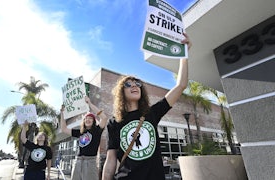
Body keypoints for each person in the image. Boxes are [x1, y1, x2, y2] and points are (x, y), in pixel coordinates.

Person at [102, 33, 192, 180]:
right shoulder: (114, 122)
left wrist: (184, 55)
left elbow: (181, 85)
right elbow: (111, 158)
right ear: (121, 92)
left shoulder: (152, 113)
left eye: (137, 83)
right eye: (128, 84)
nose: (134, 86)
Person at [60, 96, 108, 180]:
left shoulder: (97, 130)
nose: (88, 120)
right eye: (86, 118)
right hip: (78, 161)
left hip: (90, 162)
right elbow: (64, 129)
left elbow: (104, 117)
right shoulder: (80, 132)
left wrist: (89, 103)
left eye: (90, 118)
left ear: (93, 121)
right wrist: (62, 113)